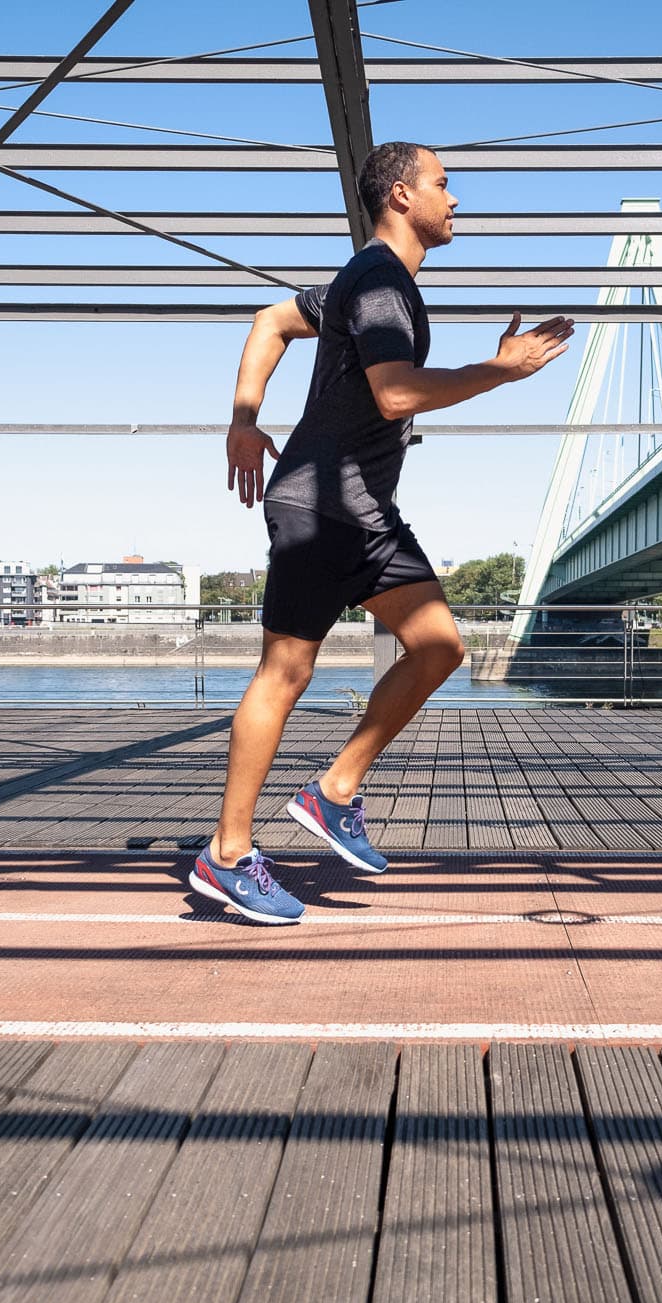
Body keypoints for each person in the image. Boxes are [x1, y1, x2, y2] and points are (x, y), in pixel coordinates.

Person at [188, 141, 573, 924]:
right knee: (286, 674)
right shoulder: (379, 280)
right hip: (320, 505)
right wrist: (502, 370)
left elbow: (270, 320)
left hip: (365, 509)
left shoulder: (360, 284)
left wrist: (242, 420)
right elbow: (396, 395)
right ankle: (225, 854)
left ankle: (333, 791)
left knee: (439, 646)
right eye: (442, 185)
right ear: (401, 196)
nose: (455, 199)